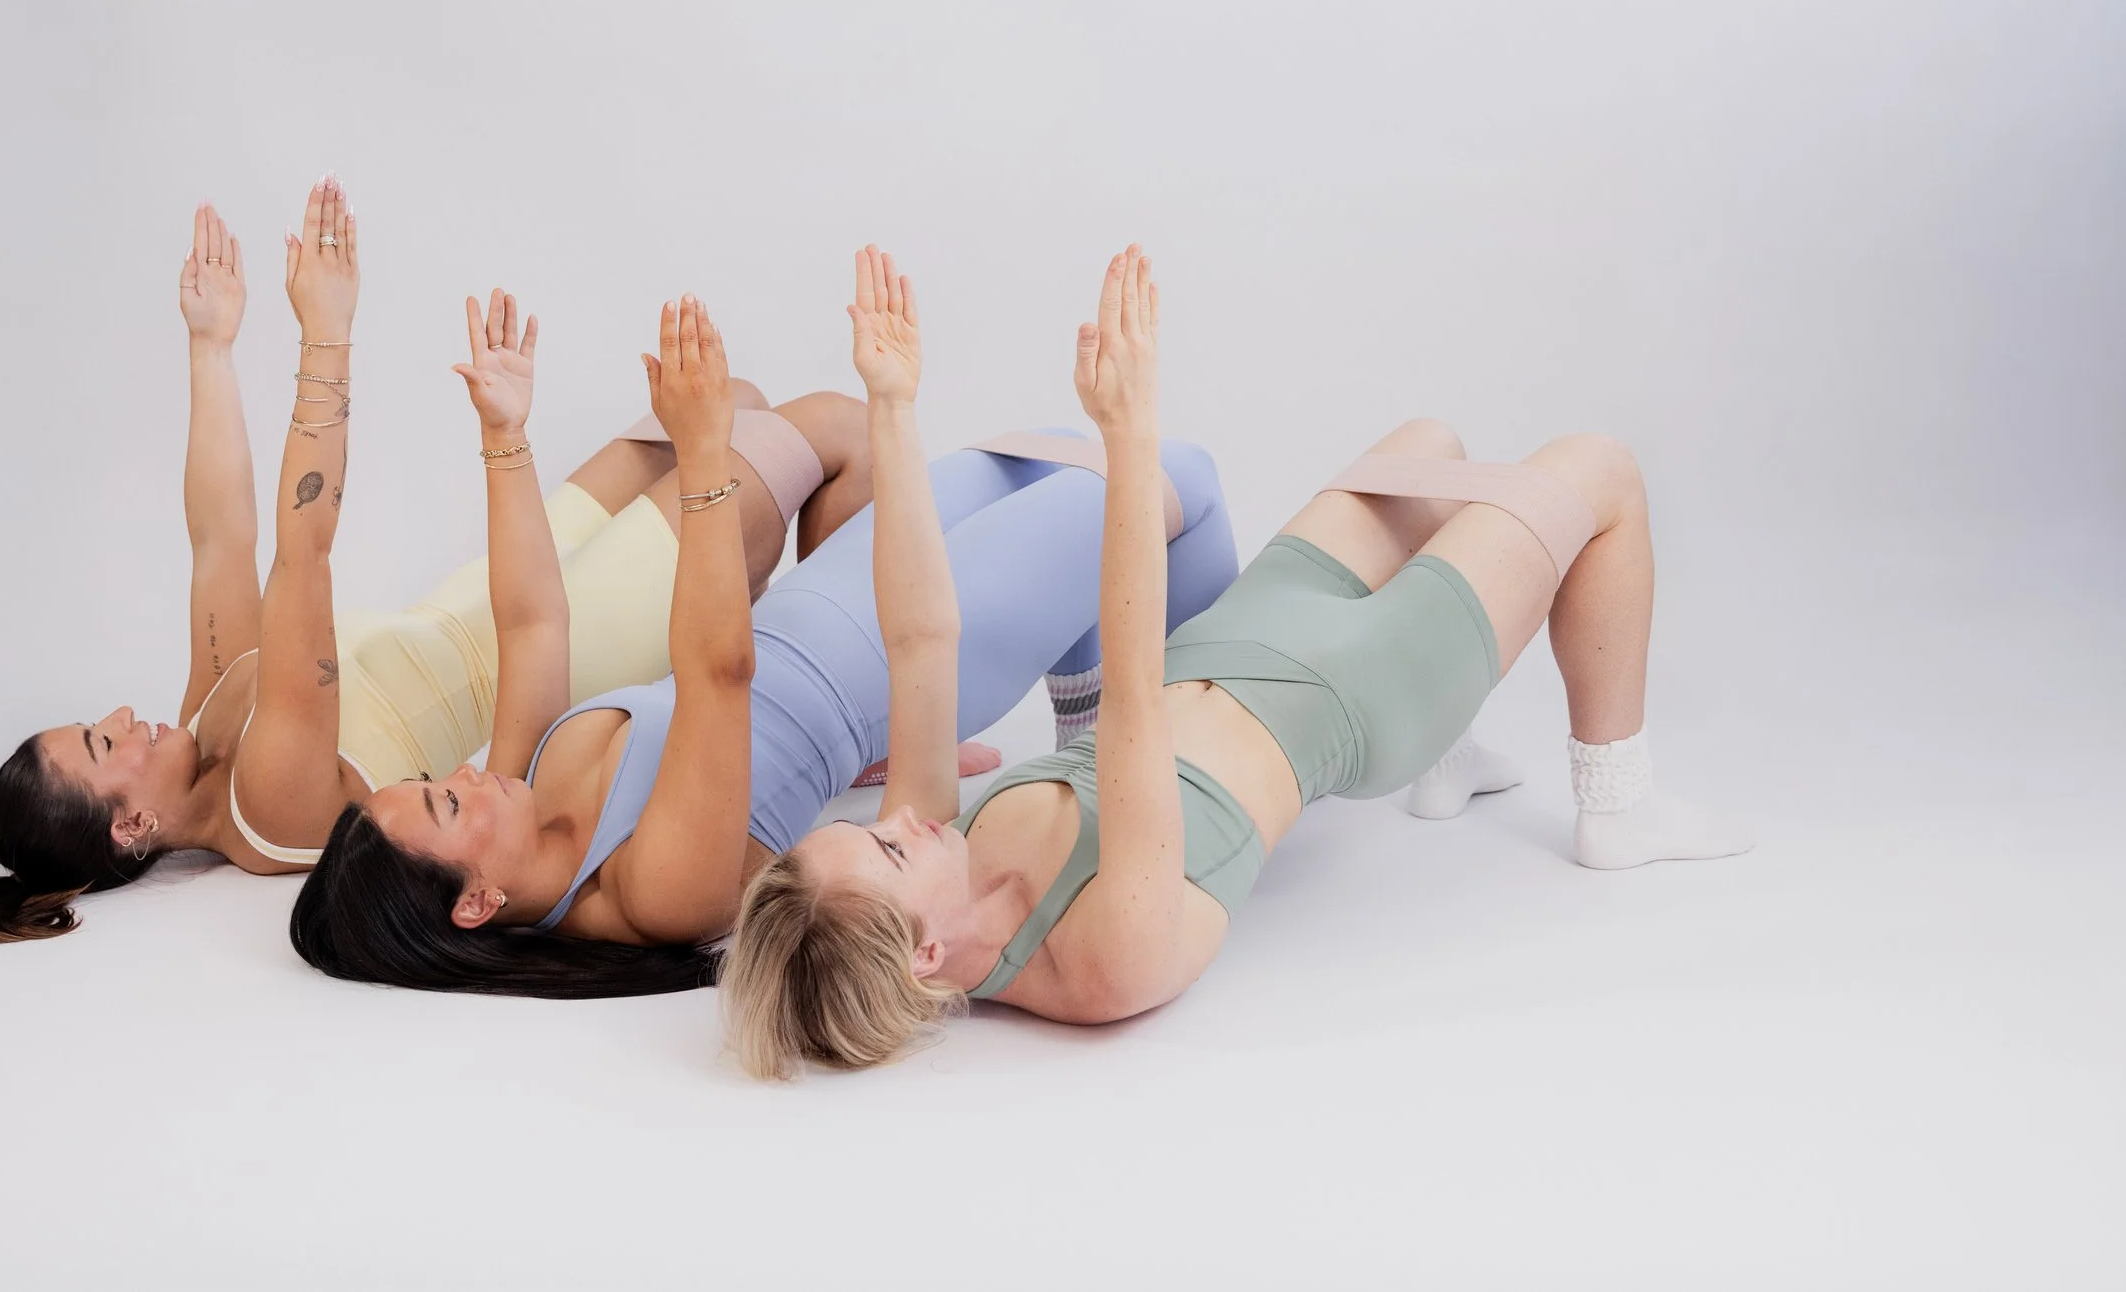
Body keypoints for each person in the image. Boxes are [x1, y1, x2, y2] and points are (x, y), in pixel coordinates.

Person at [721, 246, 1754, 1077]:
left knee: (1429, 443)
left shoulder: (937, 856)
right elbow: (1128, 690)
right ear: (924, 955)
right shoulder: (1102, 960)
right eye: (889, 850)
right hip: (1355, 686)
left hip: (1250, 629)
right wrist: (1128, 436)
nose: (896, 817)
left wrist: (892, 406)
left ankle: (1459, 756)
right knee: (1603, 473)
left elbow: (919, 637)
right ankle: (1616, 802)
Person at [0, 181, 869, 946]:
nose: (114, 717)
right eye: (103, 747)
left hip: (489, 593)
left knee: (733, 396)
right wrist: (326, 335)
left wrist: (212, 347)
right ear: (131, 825)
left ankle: (786, 653)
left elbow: (221, 534)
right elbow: (300, 554)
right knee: (834, 428)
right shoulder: (268, 802)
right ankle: (870, 710)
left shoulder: (201, 711)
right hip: (557, 638)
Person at [287, 247, 1241, 997]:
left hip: (827, 593)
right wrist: (702, 460)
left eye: (429, 780)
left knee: (1063, 453)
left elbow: (533, 622)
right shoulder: (652, 895)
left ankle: (1090, 714)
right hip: (898, 656)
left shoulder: (517, 783)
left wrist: (506, 436)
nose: (461, 774)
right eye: (448, 805)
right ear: (480, 903)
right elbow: (717, 673)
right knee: (1177, 480)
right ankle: (1172, 778)